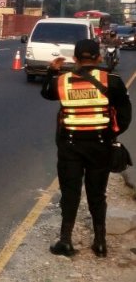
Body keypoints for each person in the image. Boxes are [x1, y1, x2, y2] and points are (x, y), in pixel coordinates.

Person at [41, 39, 131, 258]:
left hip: (70, 146)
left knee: (70, 193)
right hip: (100, 146)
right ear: (99, 57)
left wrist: (51, 71)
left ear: (75, 58)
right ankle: (100, 243)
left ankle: (65, 241)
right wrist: (109, 135)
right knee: (97, 194)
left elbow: (46, 92)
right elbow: (124, 116)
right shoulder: (112, 81)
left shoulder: (62, 82)